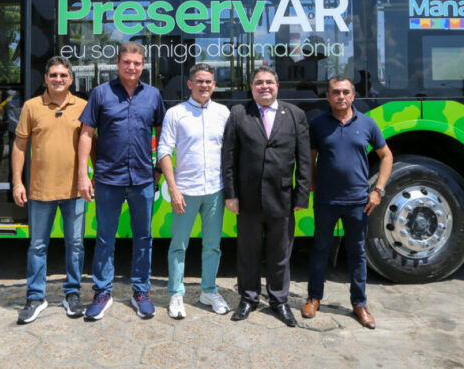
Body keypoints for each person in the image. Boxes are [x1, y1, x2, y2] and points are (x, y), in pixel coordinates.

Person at [77, 41, 166, 320]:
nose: (132, 67)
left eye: (137, 63)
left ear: (143, 66)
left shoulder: (153, 95)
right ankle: (102, 292)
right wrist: (83, 174)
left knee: (144, 238)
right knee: (105, 238)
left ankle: (141, 291)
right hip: (107, 179)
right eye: (127, 62)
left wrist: (159, 170)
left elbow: (163, 132)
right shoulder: (100, 94)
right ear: (117, 63)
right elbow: (86, 134)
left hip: (142, 179)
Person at [222, 65, 310, 327]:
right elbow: (228, 157)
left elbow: (304, 159)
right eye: (259, 83)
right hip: (247, 199)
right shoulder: (239, 114)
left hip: (282, 198)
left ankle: (279, 301)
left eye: (269, 82)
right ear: (252, 88)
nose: (264, 87)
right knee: (247, 252)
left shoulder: (295, 115)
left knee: (280, 253)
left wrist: (301, 196)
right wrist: (231, 194)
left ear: (277, 86)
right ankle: (248, 298)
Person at [302, 76, 393, 329]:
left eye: (345, 92)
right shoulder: (318, 124)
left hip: (358, 202)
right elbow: (310, 159)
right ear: (328, 96)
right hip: (326, 201)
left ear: (353, 96)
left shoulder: (367, 123)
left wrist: (378, 190)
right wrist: (312, 186)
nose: (340, 97)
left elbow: (386, 156)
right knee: (320, 249)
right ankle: (314, 298)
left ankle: (359, 304)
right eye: (335, 92)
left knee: (357, 253)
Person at [11, 56, 88, 324]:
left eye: (63, 75)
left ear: (71, 79)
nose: (58, 79)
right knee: (37, 246)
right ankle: (35, 297)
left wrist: (92, 177)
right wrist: (18, 182)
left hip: (74, 192)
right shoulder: (31, 107)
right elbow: (20, 145)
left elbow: (91, 144)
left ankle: (73, 294)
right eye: (53, 75)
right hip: (40, 191)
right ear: (45, 78)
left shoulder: (83, 106)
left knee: (75, 245)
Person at [158, 63, 231, 319]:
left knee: (213, 245)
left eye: (209, 81)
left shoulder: (223, 113)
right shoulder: (176, 113)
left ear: (214, 84)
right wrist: (173, 189)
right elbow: (164, 151)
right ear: (190, 84)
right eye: (199, 81)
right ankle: (176, 294)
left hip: (215, 190)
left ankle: (208, 291)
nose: (204, 85)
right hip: (185, 192)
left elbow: (230, 152)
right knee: (178, 246)